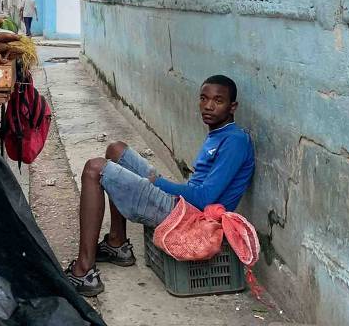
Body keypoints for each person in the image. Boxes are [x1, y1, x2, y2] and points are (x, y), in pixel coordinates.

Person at [65, 75, 255, 297]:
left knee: (94, 169)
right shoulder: (219, 133)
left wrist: (159, 184)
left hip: (190, 216)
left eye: (218, 101)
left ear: (233, 107)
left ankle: (83, 271)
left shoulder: (235, 141)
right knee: (116, 150)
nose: (208, 106)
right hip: (183, 204)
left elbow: (205, 199)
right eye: (203, 98)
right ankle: (117, 245)